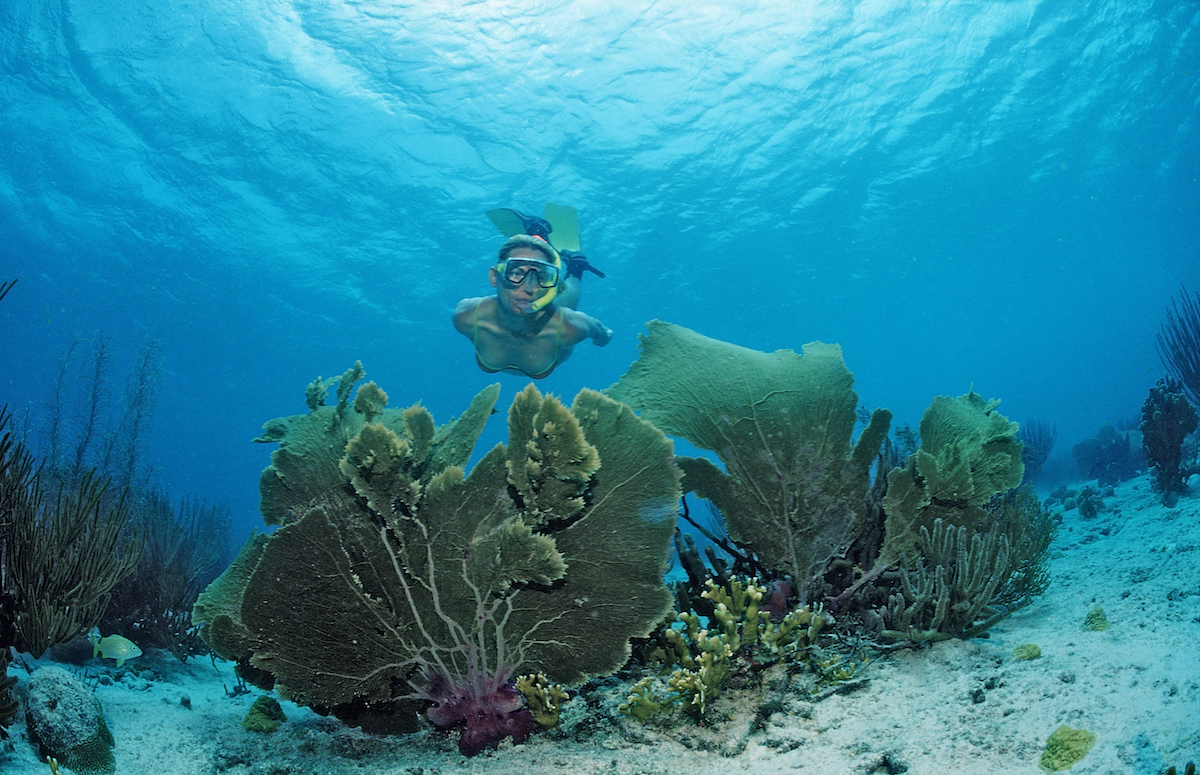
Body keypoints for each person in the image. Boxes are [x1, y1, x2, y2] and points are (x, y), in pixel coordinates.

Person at [454, 232, 612, 379]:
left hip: (557, 319)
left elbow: (600, 330)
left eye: (541, 277)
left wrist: (604, 337)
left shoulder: (567, 328)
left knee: (567, 298)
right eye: (516, 273)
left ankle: (575, 268)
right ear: (494, 277)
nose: (529, 288)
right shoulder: (466, 316)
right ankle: (539, 236)